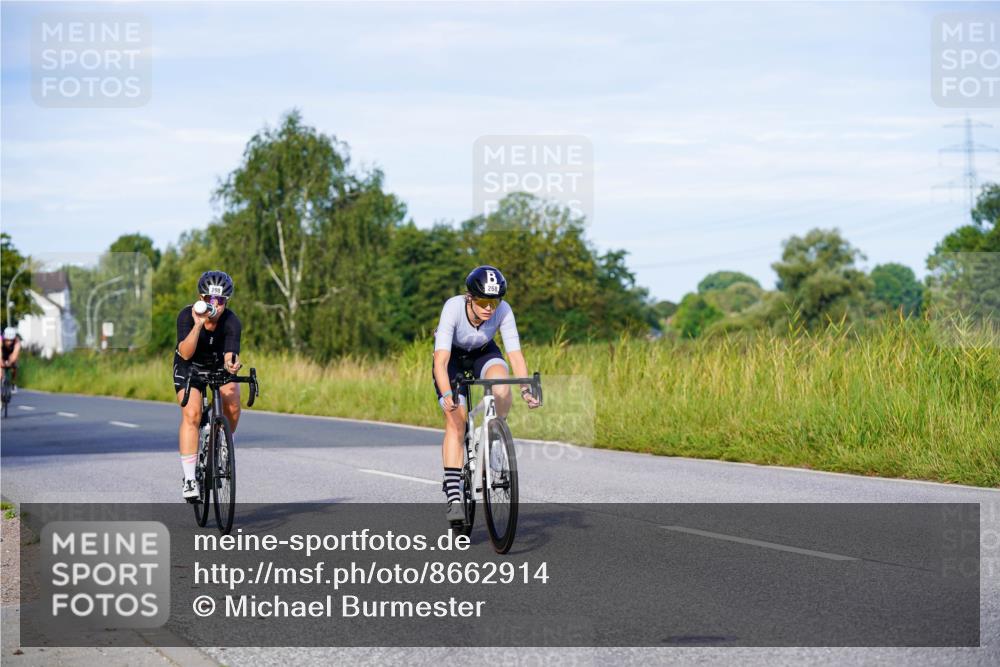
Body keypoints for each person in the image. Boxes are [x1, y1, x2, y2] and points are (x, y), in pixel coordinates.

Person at [432, 265, 539, 525]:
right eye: (482, 301)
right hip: (453, 359)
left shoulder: (503, 310)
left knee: (502, 386)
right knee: (456, 421)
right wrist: (447, 394)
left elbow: (514, 354)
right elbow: (441, 360)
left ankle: (491, 434)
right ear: (470, 298)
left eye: (494, 301)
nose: (489, 308)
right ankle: (455, 495)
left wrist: (525, 389)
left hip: (484, 353)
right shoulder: (453, 307)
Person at [174, 271, 242, 500]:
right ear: (200, 298)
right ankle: (190, 479)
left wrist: (231, 365)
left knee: (232, 398)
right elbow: (185, 352)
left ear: (226, 301)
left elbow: (229, 354)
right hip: (189, 365)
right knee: (192, 414)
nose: (215, 306)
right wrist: (198, 325)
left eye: (220, 301)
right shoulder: (186, 316)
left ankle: (222, 442)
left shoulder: (231, 321)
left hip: (216, 365)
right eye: (210, 300)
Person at [1, 327, 22, 393]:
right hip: (3, 353)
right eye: (7, 340)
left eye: (11, 340)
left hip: (11, 354)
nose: (9, 342)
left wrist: (10, 363)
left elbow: (15, 354)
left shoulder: (17, 342)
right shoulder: (1, 340)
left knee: (15, 366)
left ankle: (13, 383)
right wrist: (2, 363)